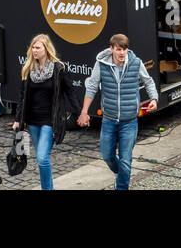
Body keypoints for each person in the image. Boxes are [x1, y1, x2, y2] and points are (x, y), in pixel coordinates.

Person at [78, 33, 159, 191]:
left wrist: (154, 99)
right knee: (107, 156)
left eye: (124, 49)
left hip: (129, 122)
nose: (122, 53)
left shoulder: (135, 63)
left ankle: (122, 185)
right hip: (109, 120)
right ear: (112, 49)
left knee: (125, 161)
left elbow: (148, 81)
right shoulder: (101, 64)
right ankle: (121, 174)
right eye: (119, 49)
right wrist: (84, 111)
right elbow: (92, 86)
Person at [11, 33, 78, 191]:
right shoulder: (28, 69)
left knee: (42, 158)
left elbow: (70, 92)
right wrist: (17, 119)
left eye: (38, 47)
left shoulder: (58, 69)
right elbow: (22, 97)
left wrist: (79, 113)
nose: (34, 50)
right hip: (32, 121)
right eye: (33, 47)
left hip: (50, 121)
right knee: (41, 157)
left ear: (46, 49)